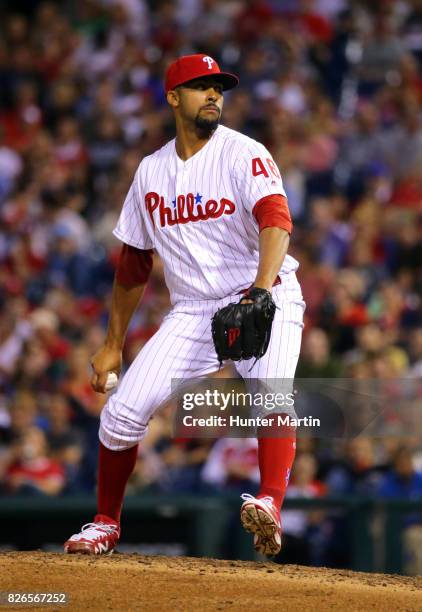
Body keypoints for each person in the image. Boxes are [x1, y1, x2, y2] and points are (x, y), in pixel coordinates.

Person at [64, 54, 305, 556]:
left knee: (272, 391)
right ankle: (106, 522)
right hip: (194, 310)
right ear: (173, 97)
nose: (213, 94)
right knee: (121, 413)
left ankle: (269, 502)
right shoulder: (151, 171)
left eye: (218, 87)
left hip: (265, 291)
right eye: (200, 86)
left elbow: (276, 220)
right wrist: (112, 346)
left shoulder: (244, 153)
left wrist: (260, 289)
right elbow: (134, 262)